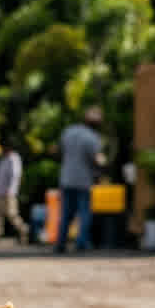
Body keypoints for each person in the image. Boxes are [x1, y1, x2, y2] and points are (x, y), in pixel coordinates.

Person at [54, 107, 104, 254]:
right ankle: (81, 243)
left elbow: (58, 151)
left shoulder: (69, 131)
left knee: (65, 213)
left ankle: (61, 243)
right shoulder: (92, 137)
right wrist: (102, 169)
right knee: (84, 213)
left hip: (66, 178)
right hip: (83, 180)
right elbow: (97, 159)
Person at [0, 139, 24, 244]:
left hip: (8, 193)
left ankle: (23, 231)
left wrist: (11, 190)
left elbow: (15, 176)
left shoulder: (14, 159)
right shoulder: (3, 159)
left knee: (12, 214)